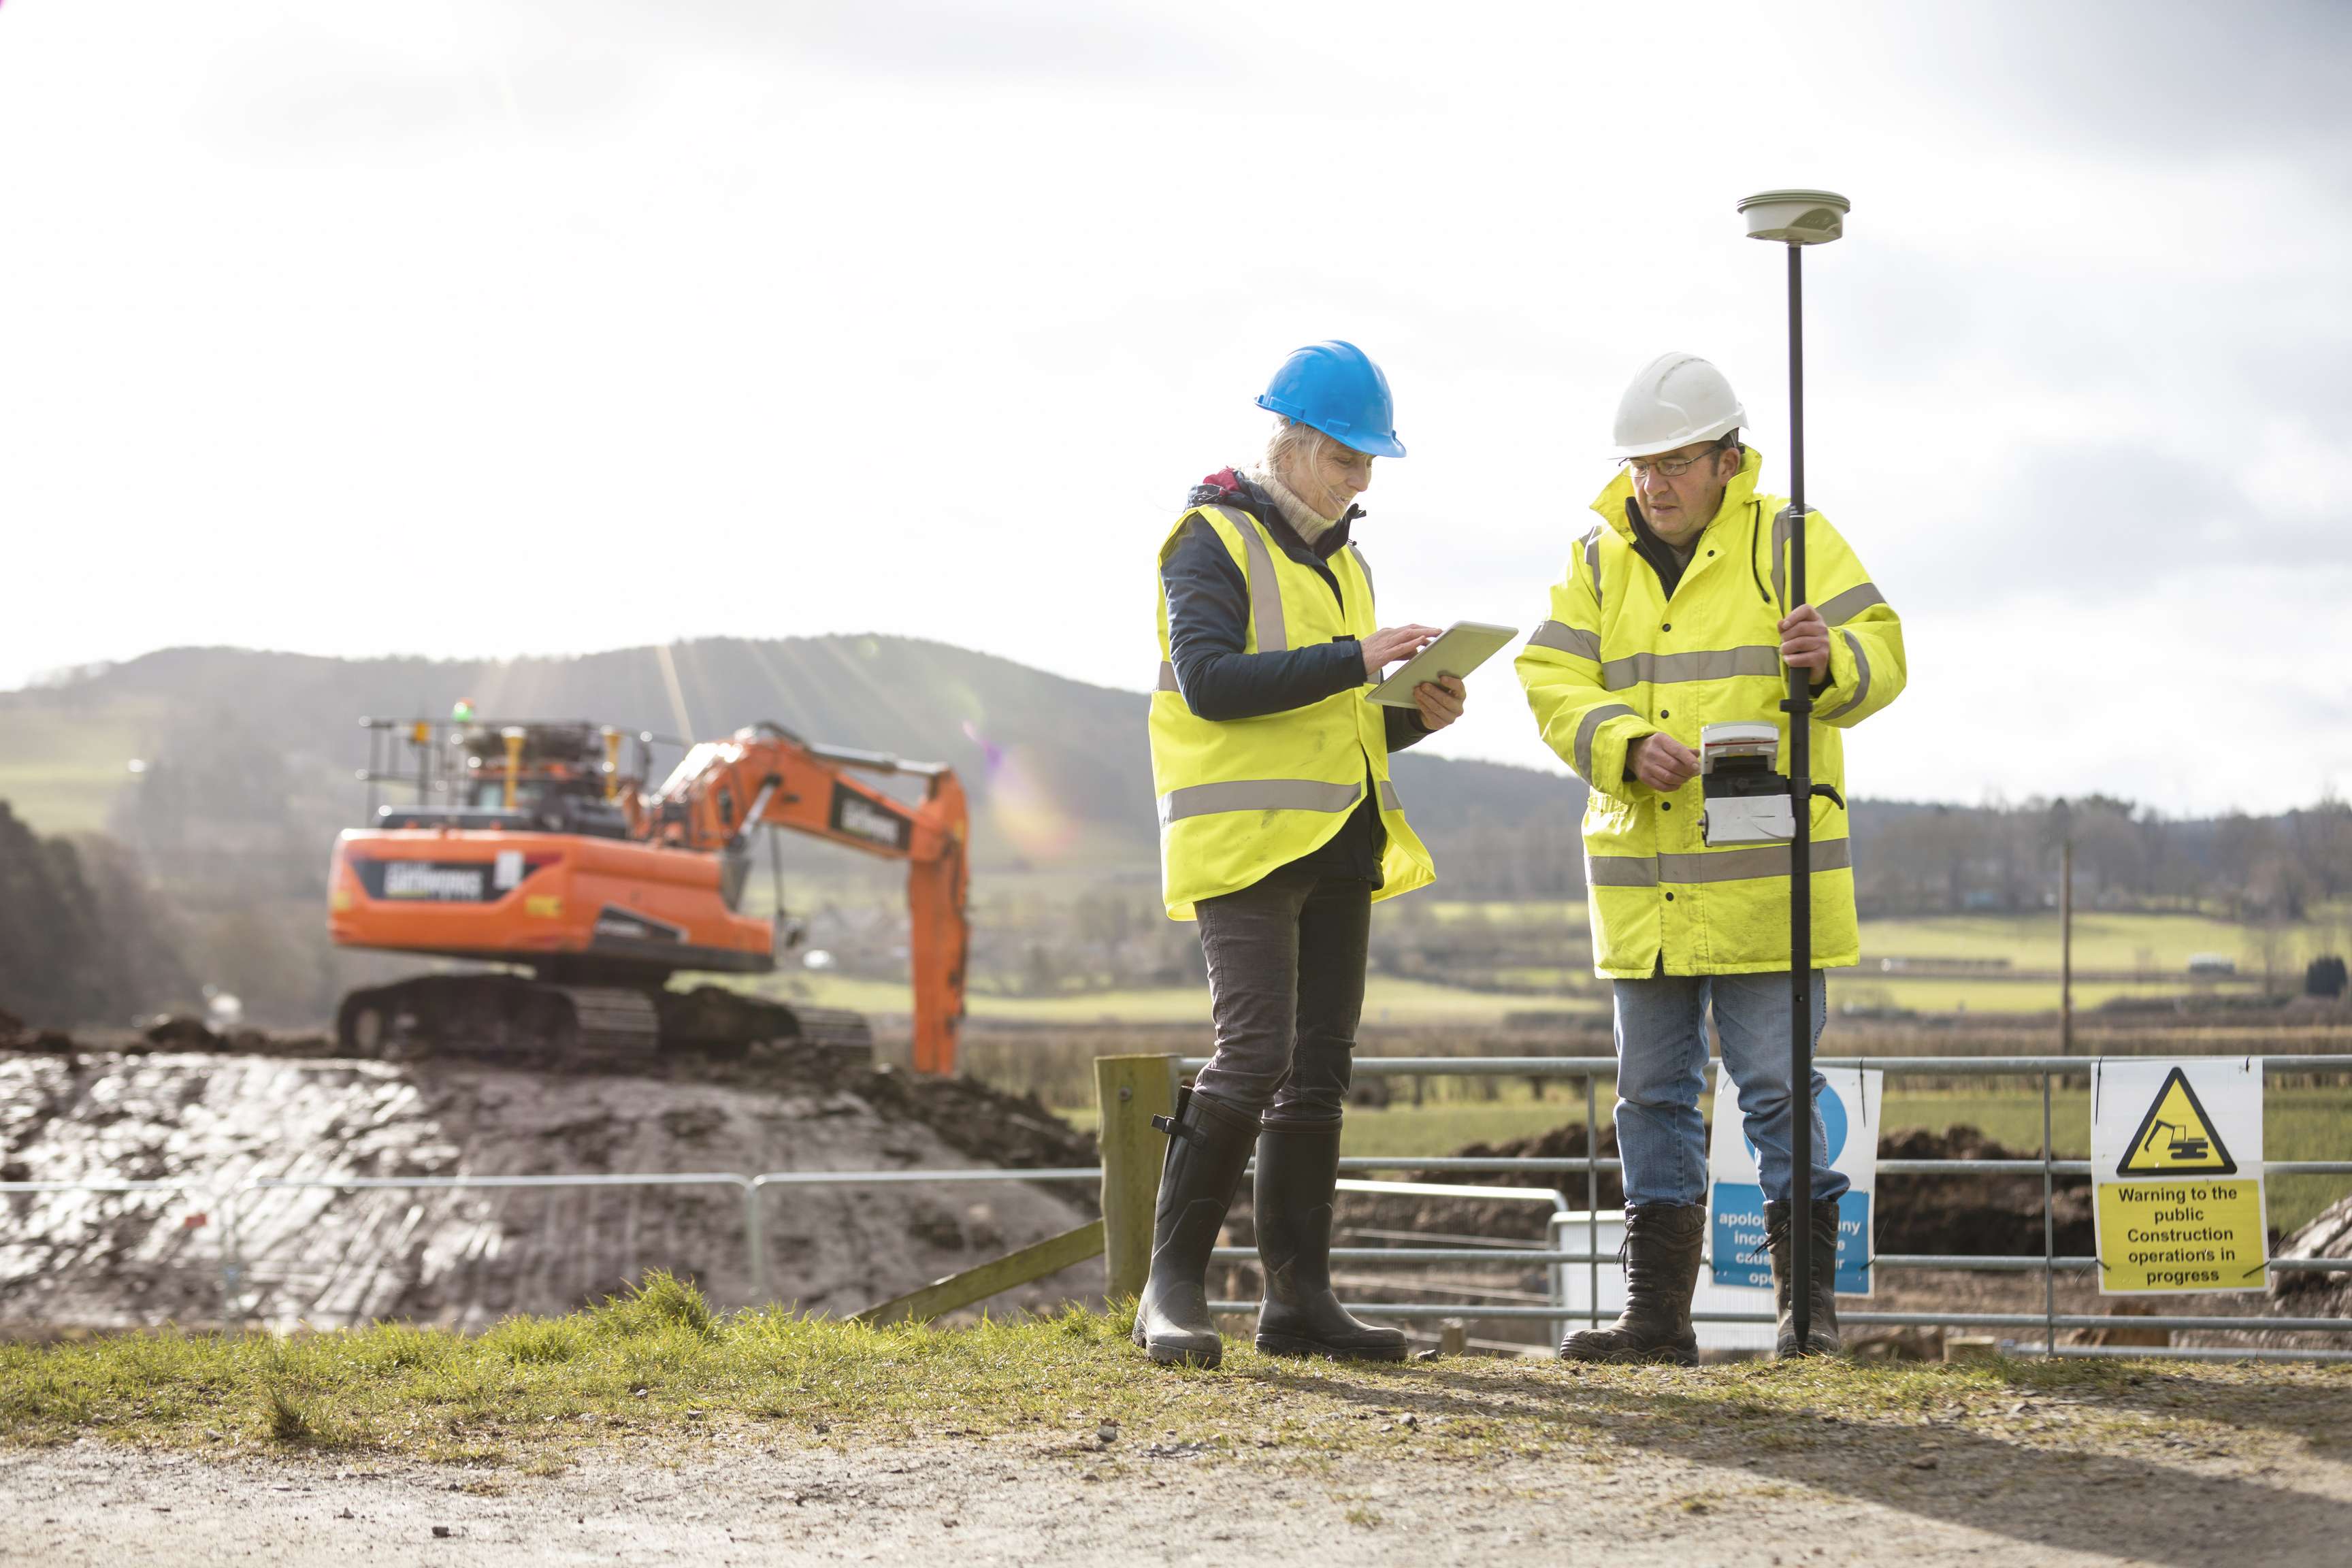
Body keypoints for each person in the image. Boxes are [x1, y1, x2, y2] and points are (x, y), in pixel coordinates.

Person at [1516, 352, 1905, 1362]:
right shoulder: (1595, 559)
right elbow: (1548, 673)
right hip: (1644, 887)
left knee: (1778, 1095)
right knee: (1651, 1099)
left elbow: (1885, 650)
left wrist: (1837, 659)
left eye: (1677, 462)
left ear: (1729, 460)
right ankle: (1655, 1322)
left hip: (1766, 887)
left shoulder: (1795, 540)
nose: (1655, 483)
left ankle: (1807, 1318)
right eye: (1642, 464)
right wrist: (1618, 739)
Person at [1137, 340, 1465, 1368]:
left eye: (1369, 463)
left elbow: (1336, 720)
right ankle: (1170, 1290)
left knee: (1318, 1071)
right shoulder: (1208, 540)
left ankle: (1299, 1302)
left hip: (1340, 836)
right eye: (1343, 459)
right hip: (1245, 843)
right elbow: (1213, 685)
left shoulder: (1346, 563)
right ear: (1290, 444)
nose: (1359, 481)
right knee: (1256, 1054)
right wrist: (1355, 659)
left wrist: (1412, 715)